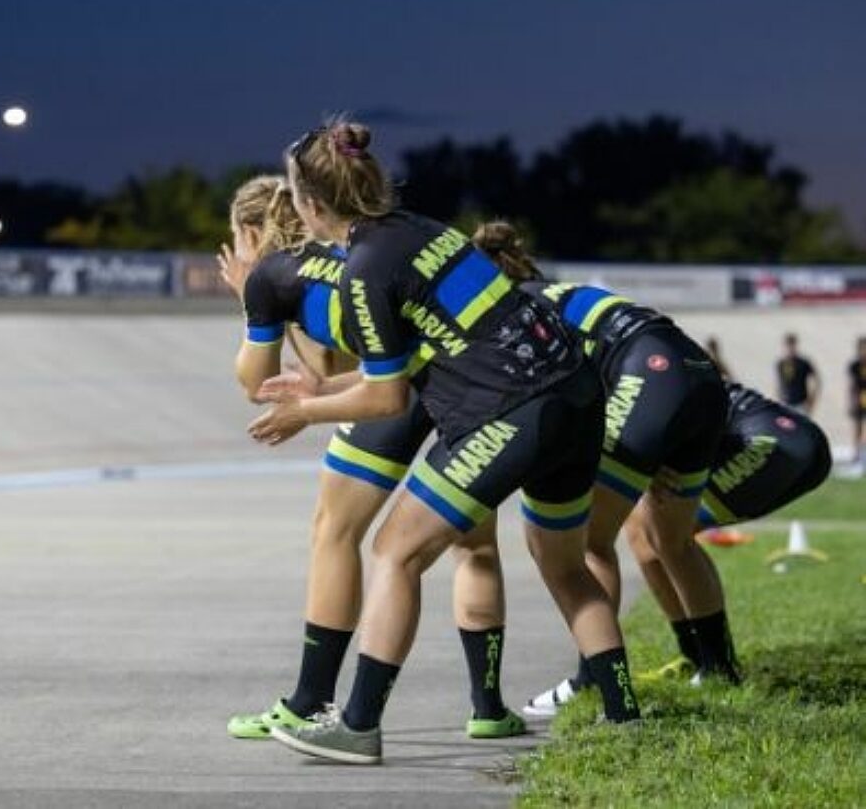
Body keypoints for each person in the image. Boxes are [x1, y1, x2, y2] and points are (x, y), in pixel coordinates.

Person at [252, 121, 640, 765]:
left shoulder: (365, 267)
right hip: (575, 393)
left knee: (396, 550)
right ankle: (628, 719)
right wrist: (324, 385)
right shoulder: (423, 229)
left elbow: (387, 400)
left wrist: (307, 410)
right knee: (566, 566)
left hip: (513, 411)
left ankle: (357, 724)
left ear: (310, 204)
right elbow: (427, 353)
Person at [218, 175, 520, 741]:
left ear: (251, 233)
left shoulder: (273, 275)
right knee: (474, 543)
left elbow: (256, 383)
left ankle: (310, 700)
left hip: (394, 393)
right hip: (458, 382)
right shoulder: (343, 248)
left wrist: (249, 300)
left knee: (334, 532)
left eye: (235, 238)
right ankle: (487, 708)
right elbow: (327, 369)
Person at [468, 225, 738, 716]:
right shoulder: (557, 290)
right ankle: (720, 669)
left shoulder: (514, 310)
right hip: (697, 374)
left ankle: (593, 680)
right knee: (673, 540)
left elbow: (555, 400)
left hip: (650, 376)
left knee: (588, 541)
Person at [626, 381, 830, 682]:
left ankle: (718, 667)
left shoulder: (619, 376)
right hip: (776, 438)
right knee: (641, 532)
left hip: (776, 440)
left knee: (668, 532)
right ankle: (696, 657)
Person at [776, 333, 820, 414]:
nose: (790, 348)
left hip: (801, 403)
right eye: (787, 345)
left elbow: (816, 381)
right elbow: (779, 383)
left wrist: (812, 400)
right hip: (785, 403)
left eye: (792, 345)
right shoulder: (781, 363)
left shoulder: (803, 363)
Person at [848, 337, 866, 468]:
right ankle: (856, 453)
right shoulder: (854, 365)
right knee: (857, 428)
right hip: (858, 399)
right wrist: (852, 401)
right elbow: (852, 385)